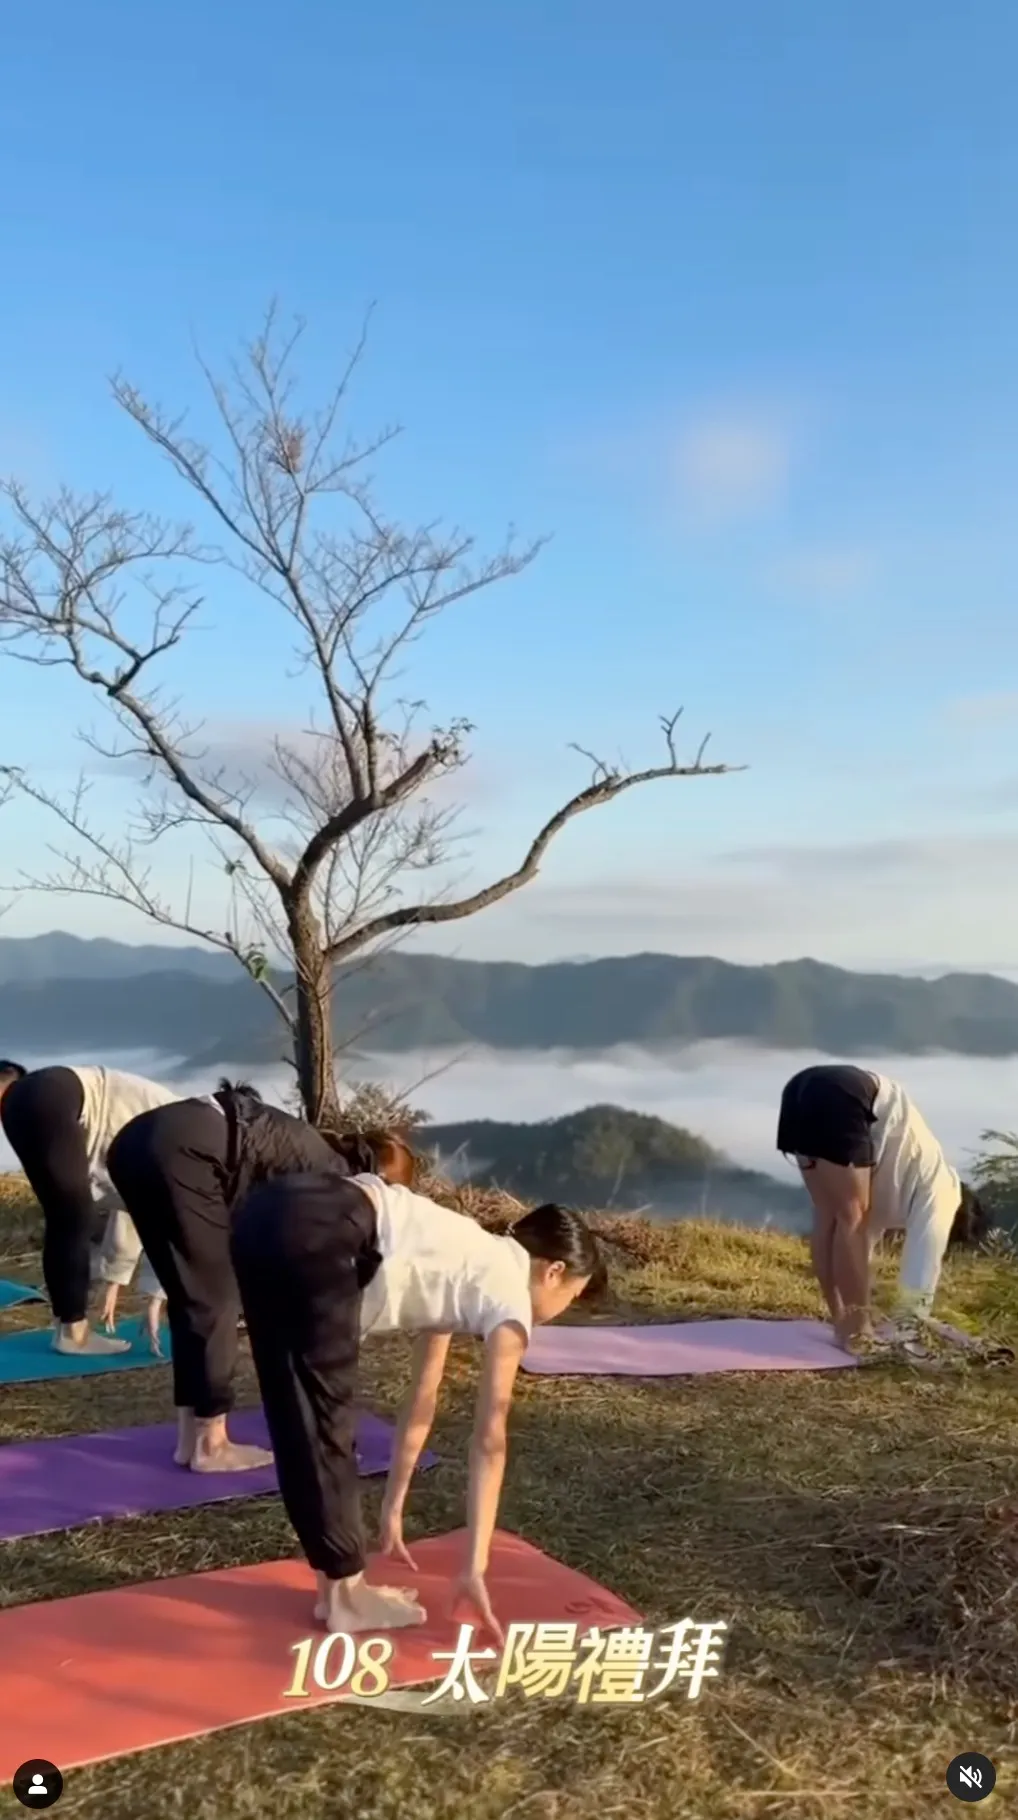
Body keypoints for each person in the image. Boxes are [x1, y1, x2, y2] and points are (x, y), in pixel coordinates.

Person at [230, 1171, 603, 1640]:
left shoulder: (470, 1250)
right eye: (570, 1295)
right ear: (554, 1272)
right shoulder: (510, 1302)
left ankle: (335, 1587)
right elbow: (490, 1441)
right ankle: (347, 1597)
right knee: (324, 1422)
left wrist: (393, 1505)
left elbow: (422, 1400)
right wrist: (475, 1568)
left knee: (297, 1413)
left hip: (266, 1210)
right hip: (327, 1229)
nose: (561, 1308)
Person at [777, 1064, 969, 1351]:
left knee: (828, 1214)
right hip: (848, 1095)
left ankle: (841, 1321)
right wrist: (908, 1328)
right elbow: (923, 1258)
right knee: (850, 1216)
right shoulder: (944, 1190)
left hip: (799, 1088)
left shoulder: (903, 1184)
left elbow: (857, 1245)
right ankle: (857, 1331)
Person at [0, 1058, 182, 1356]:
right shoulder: (196, 1140)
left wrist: (119, 1280)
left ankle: (69, 1327)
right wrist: (155, 1293)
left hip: (55, 1096)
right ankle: (72, 1333)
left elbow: (141, 1207)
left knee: (66, 1215)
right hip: (56, 1096)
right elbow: (170, 1211)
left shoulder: (182, 1127)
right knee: (70, 1214)